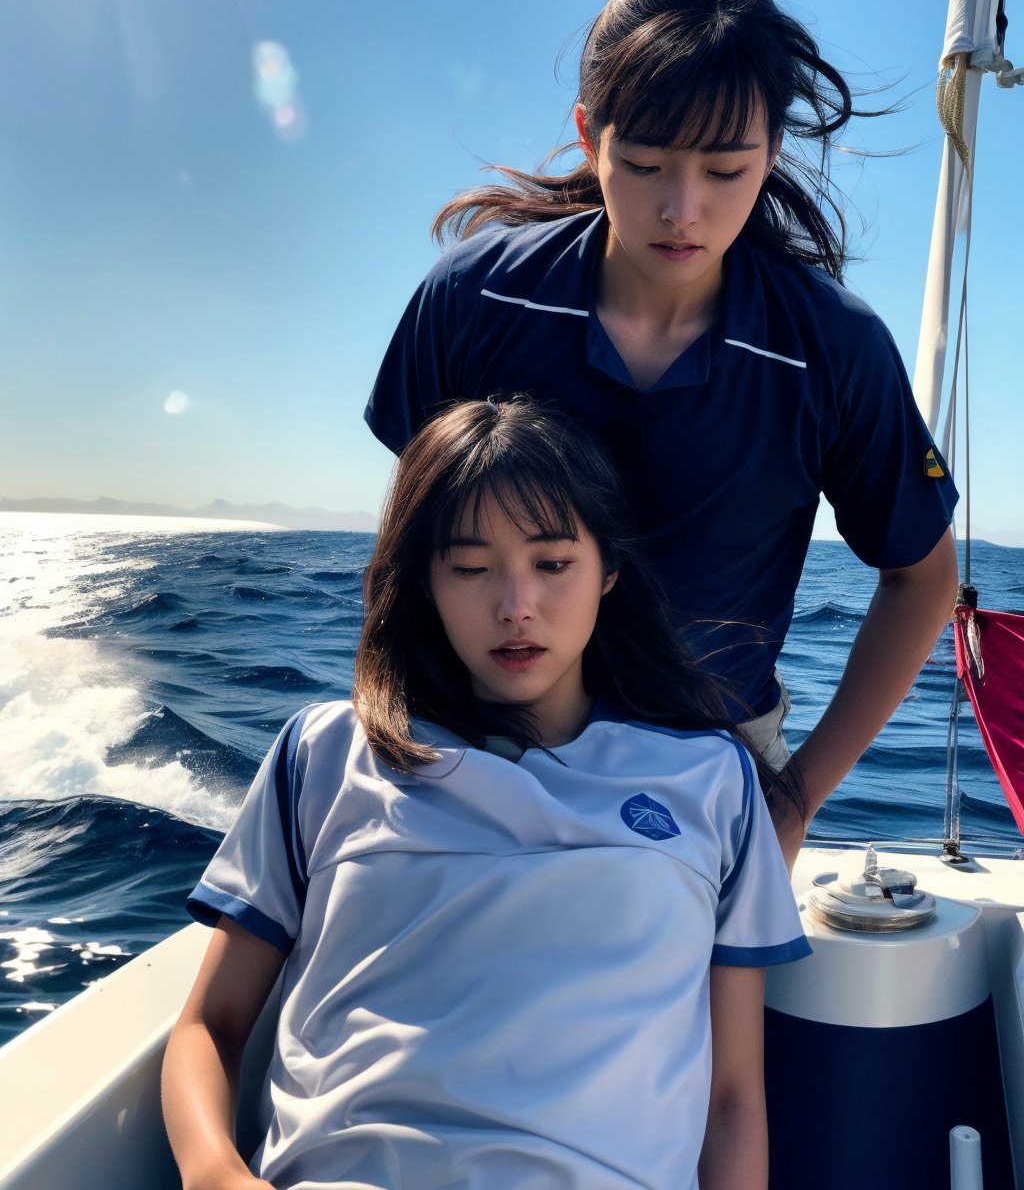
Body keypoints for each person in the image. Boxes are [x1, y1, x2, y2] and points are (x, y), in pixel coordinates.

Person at [365, 0, 960, 868]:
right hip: (482, 755)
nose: (683, 209)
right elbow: (419, 537)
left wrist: (796, 796)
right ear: (587, 132)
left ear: (774, 148)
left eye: (726, 171)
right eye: (643, 163)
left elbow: (921, 578)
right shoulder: (477, 299)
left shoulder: (831, 349)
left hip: (709, 773)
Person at [162, 397, 810, 1190]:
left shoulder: (712, 780)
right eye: (470, 568)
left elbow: (733, 1099)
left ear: (609, 570)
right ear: (425, 581)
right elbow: (210, 1024)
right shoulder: (324, 754)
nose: (515, 607)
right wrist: (215, 1175)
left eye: (553, 563)